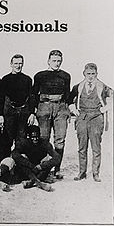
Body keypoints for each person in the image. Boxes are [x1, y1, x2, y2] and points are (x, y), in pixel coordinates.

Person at [68, 63, 113, 182]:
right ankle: (82, 172)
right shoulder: (78, 86)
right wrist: (74, 110)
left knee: (96, 147)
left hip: (96, 117)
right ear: (84, 73)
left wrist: (105, 108)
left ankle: (95, 173)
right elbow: (69, 100)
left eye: (93, 74)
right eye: (88, 73)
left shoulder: (102, 86)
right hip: (82, 117)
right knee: (82, 147)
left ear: (97, 74)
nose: (91, 76)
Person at [33, 50, 71, 179]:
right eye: (54, 61)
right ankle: (43, 168)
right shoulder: (40, 75)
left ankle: (57, 169)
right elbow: (34, 94)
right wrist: (33, 111)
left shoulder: (66, 76)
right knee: (44, 138)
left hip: (60, 107)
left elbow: (67, 94)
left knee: (60, 140)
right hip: (44, 106)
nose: (56, 63)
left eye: (59, 61)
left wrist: (67, 110)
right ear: (48, 61)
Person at [11, 125, 60, 192]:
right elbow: (14, 154)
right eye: (33, 137)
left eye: (37, 137)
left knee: (48, 161)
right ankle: (38, 182)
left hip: (40, 170)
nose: (35, 139)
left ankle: (32, 181)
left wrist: (42, 166)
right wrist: (30, 165)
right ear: (29, 136)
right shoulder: (24, 143)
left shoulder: (44, 143)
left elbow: (57, 157)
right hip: (28, 170)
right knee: (21, 161)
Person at [1, 54, 36, 145]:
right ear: (11, 64)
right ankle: (7, 159)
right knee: (7, 138)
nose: (18, 66)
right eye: (16, 63)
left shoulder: (27, 79)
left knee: (21, 138)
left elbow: (31, 97)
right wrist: (0, 115)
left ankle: (18, 158)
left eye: (20, 63)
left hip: (23, 112)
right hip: (9, 112)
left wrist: (32, 113)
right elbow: (1, 98)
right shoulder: (5, 79)